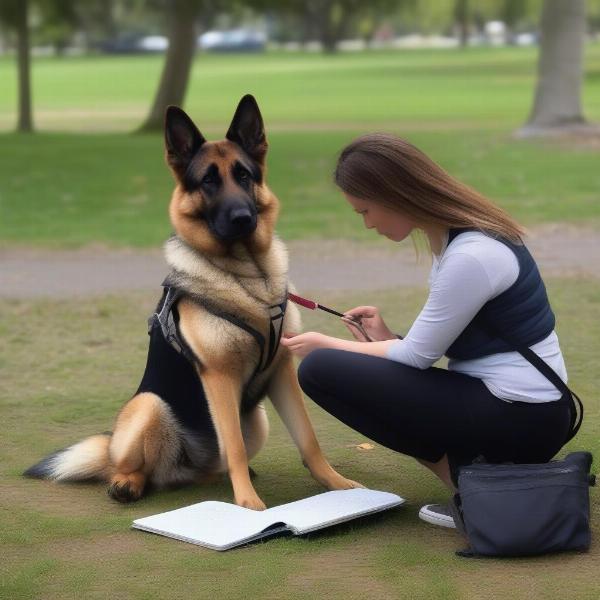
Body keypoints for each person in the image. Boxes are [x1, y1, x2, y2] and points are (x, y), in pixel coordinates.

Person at [280, 132, 573, 529]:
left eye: (365, 211)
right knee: (339, 369)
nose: (367, 224)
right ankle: (474, 480)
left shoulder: (470, 255)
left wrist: (321, 343)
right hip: (520, 408)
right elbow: (425, 350)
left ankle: (473, 489)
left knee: (320, 369)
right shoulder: (457, 237)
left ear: (394, 194)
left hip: (524, 416)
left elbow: (417, 357)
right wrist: (386, 339)